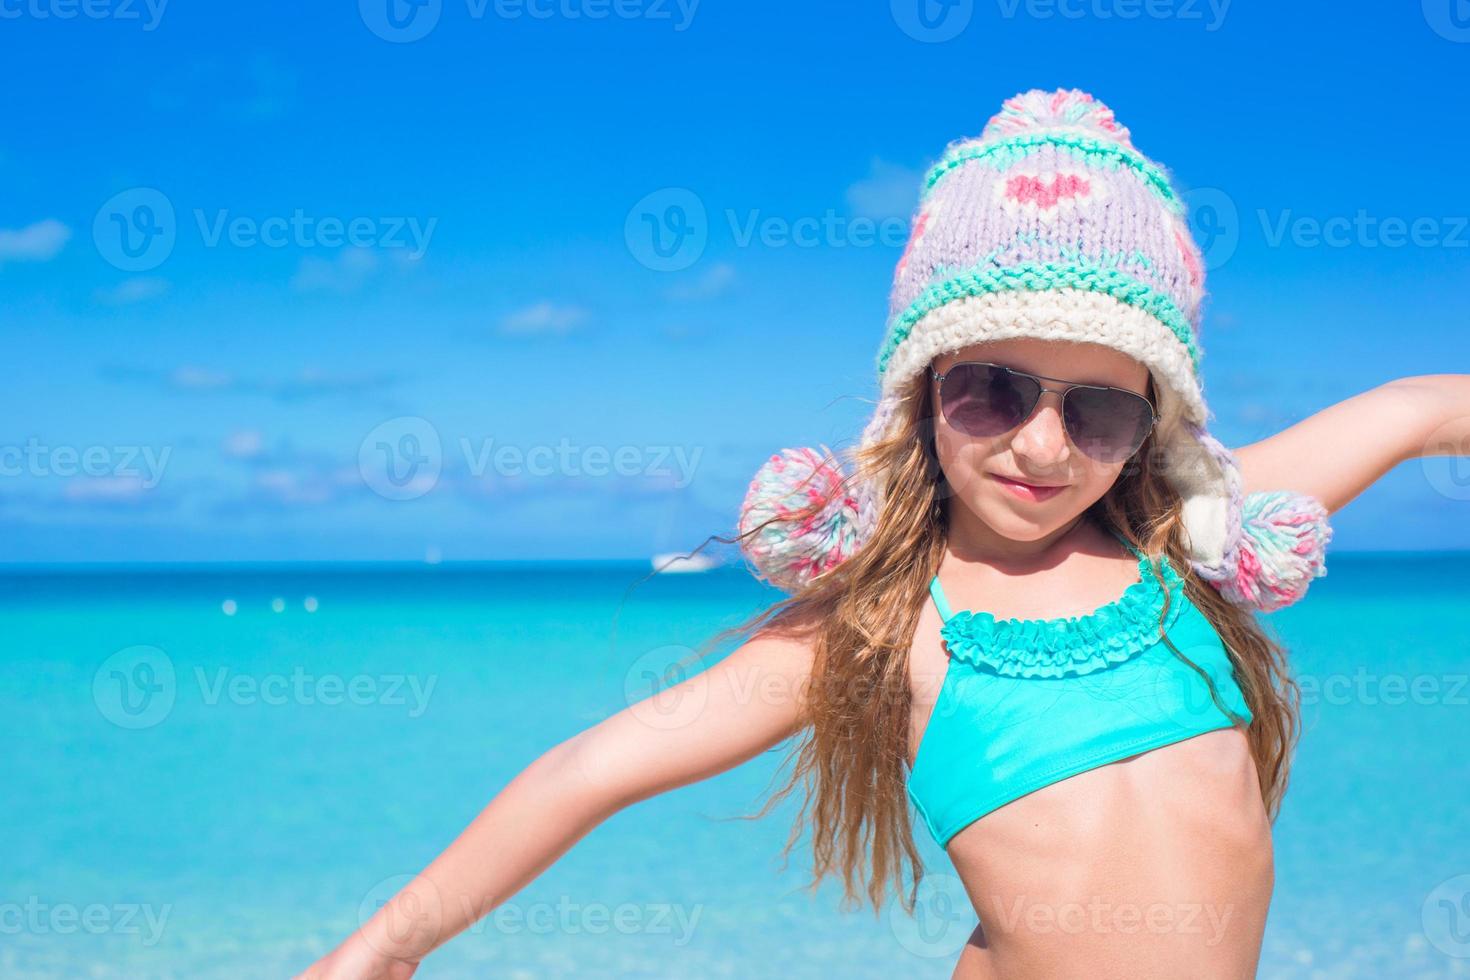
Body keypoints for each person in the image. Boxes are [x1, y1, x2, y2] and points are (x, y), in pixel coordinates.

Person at [299, 88, 1469, 979]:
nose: (1043, 446)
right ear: (921, 390)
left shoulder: (1187, 536)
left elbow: (1421, 409)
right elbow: (595, 768)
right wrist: (388, 945)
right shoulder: (886, 623)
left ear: (1148, 424)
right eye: (994, 390)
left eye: (1098, 407)